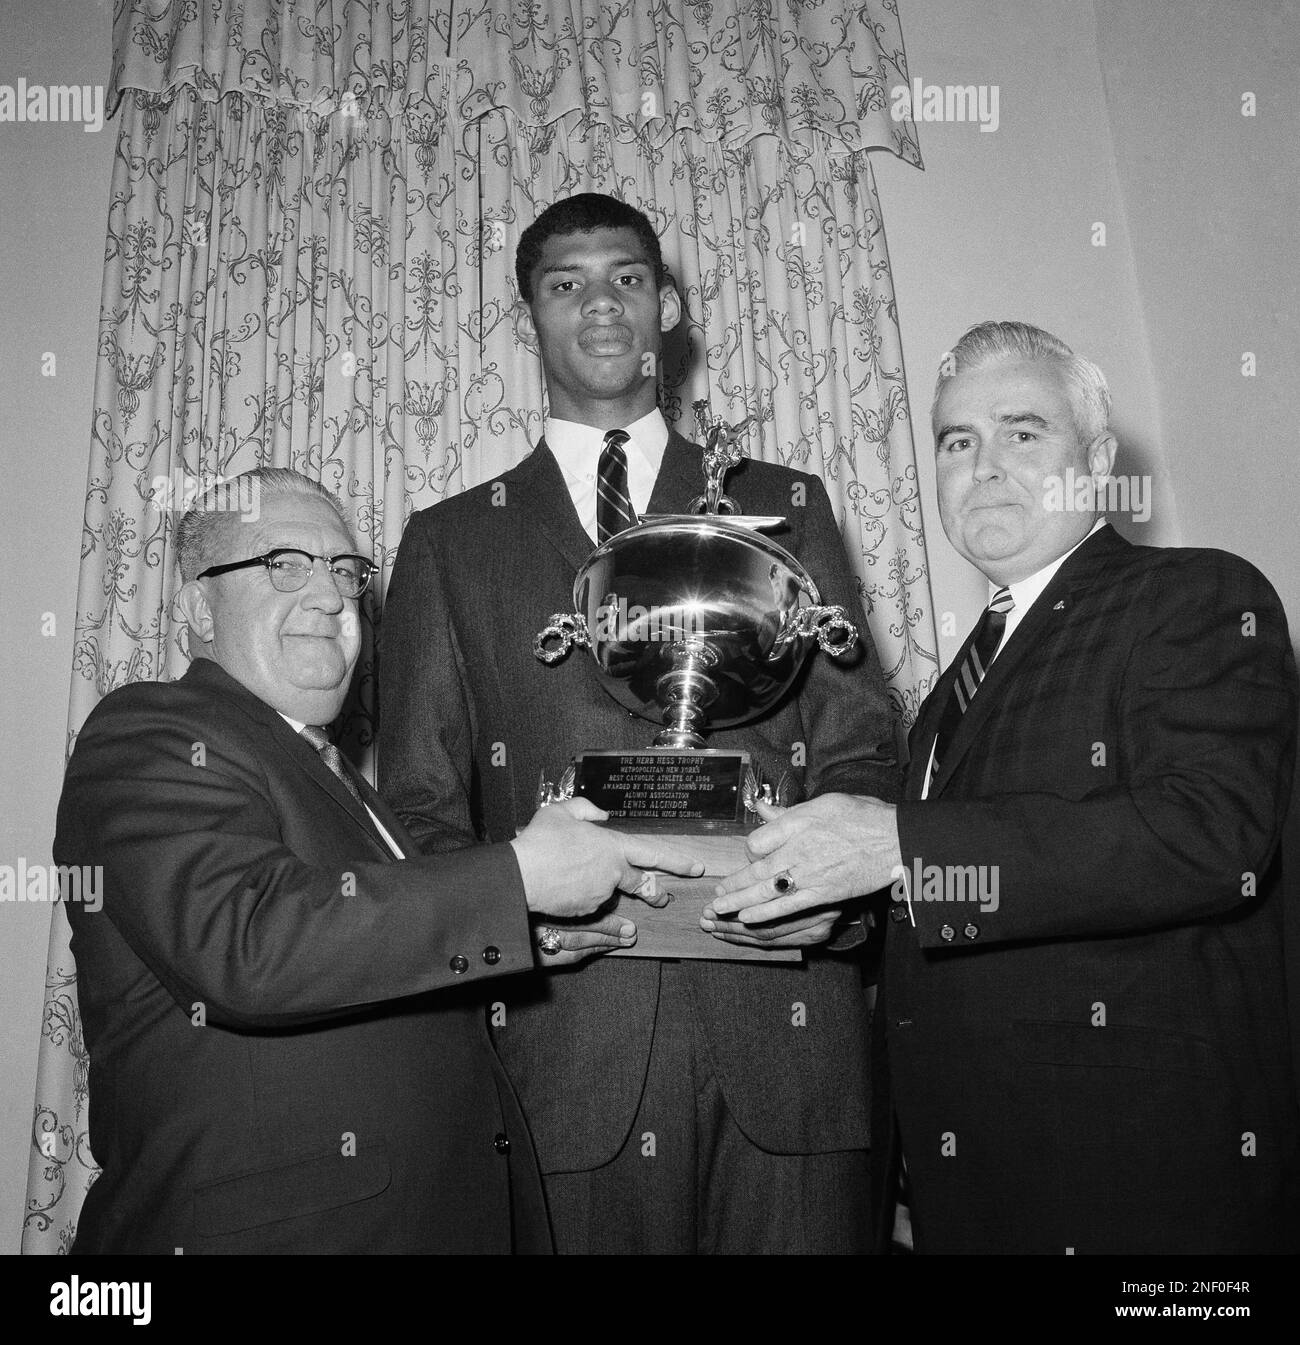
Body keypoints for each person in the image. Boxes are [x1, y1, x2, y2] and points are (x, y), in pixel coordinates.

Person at [379, 193, 900, 1254]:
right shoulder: (447, 544)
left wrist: (833, 910)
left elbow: (862, 747)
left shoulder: (784, 501)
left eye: (625, 277)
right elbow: (421, 807)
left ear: (666, 305)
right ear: (529, 317)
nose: (600, 305)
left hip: (790, 1041)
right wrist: (511, 929)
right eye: (564, 285)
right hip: (566, 1059)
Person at [711, 320, 1300, 1254]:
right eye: (957, 441)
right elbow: (978, 888)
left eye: (1023, 433)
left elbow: (1208, 836)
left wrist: (899, 847)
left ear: (1099, 460)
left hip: (1150, 1193)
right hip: (972, 1194)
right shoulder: (946, 694)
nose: (984, 466)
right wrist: (848, 900)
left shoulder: (1197, 594)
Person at [54, 467, 699, 1254]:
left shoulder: (345, 786)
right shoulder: (147, 734)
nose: (330, 596)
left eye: (344, 571)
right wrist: (518, 876)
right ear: (196, 605)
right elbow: (249, 942)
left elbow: (372, 950)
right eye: (283, 564)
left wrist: (528, 926)